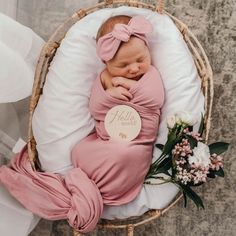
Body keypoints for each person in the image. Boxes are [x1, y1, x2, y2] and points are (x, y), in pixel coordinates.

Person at [0, 15, 165, 234]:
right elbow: (96, 108)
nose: (134, 68)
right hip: (105, 138)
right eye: (123, 65)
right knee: (90, 149)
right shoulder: (105, 78)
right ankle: (91, 182)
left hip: (139, 141)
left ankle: (105, 185)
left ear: (147, 52)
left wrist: (127, 85)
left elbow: (155, 100)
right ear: (107, 63)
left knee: (126, 154)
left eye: (140, 59)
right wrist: (111, 95)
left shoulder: (150, 74)